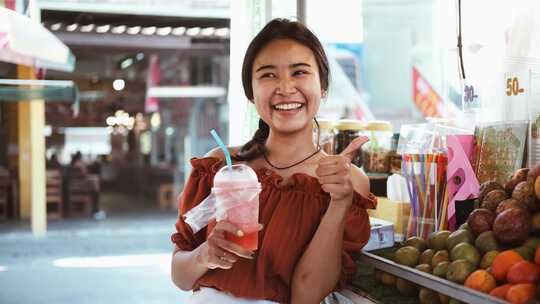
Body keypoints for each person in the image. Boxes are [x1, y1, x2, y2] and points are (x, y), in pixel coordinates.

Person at [171, 18, 376, 304]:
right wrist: (204, 254)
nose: (285, 87)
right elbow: (180, 276)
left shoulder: (348, 182)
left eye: (299, 72)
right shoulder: (219, 167)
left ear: (323, 86)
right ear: (251, 93)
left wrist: (339, 203)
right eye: (268, 75)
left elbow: (307, 295)